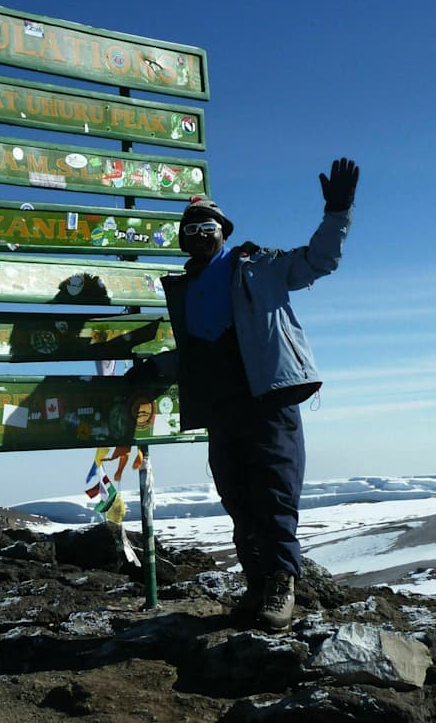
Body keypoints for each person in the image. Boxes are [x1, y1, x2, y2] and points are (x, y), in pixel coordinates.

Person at [126, 158, 359, 631]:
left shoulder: (258, 266)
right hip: (221, 406)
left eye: (207, 227)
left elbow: (319, 260)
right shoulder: (187, 289)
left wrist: (337, 214)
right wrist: (155, 367)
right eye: (191, 229)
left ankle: (281, 584)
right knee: (237, 497)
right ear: (182, 239)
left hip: (268, 399)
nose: (199, 234)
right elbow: (199, 352)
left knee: (274, 493)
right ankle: (256, 584)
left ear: (224, 232)